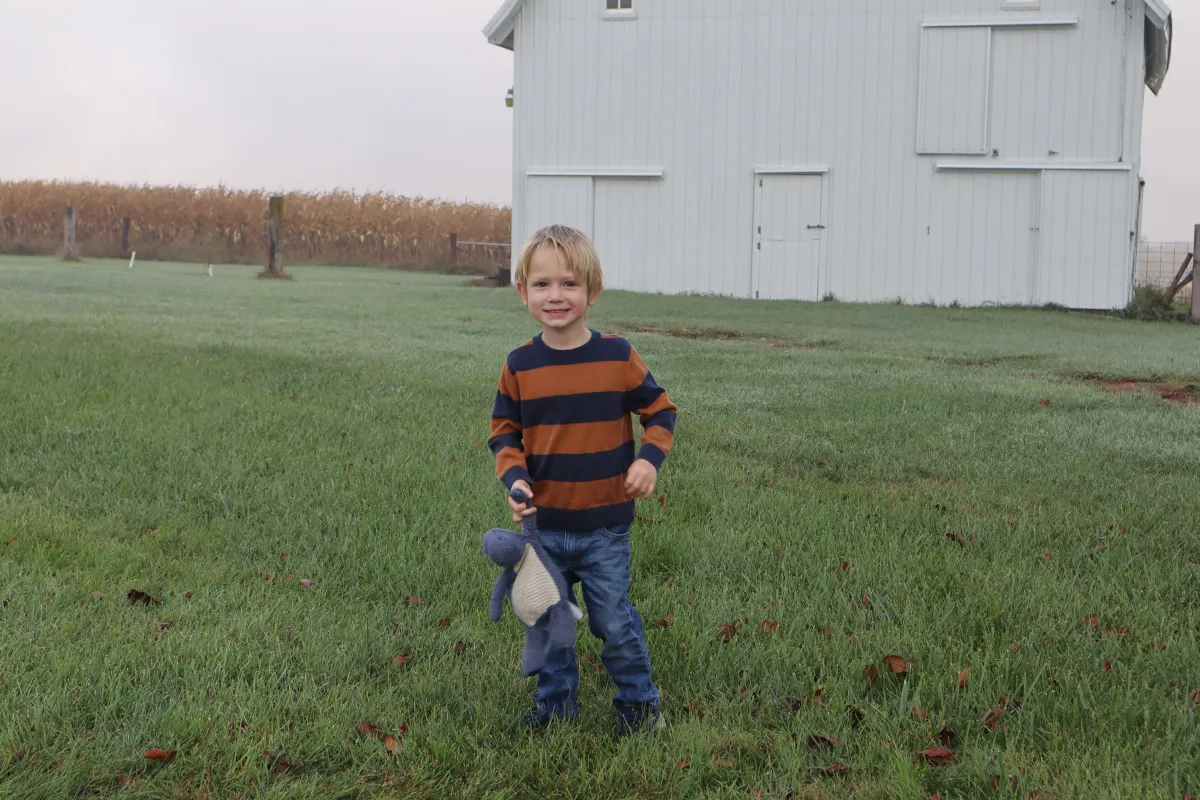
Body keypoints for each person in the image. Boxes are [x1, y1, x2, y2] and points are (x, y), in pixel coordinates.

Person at [486, 224, 678, 735]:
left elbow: (660, 412)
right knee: (551, 623)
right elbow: (505, 434)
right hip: (543, 529)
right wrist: (516, 480)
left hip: (604, 530)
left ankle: (639, 706)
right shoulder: (520, 366)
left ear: (592, 291)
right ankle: (555, 709)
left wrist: (648, 462)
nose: (556, 296)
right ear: (523, 291)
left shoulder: (616, 357)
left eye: (569, 284)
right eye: (542, 284)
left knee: (611, 622)